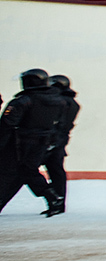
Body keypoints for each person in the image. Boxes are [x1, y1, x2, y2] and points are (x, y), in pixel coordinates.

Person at [0, 69, 66, 217]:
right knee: (26, 171)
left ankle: (51, 196)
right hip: (42, 143)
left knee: (10, 173)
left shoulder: (24, 101)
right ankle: (52, 196)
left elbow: (7, 124)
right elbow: (59, 124)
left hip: (18, 144)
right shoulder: (57, 101)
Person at [46, 74, 80, 211]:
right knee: (56, 171)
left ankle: (54, 198)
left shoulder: (59, 101)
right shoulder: (72, 102)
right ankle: (58, 202)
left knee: (27, 171)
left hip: (52, 139)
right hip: (61, 139)